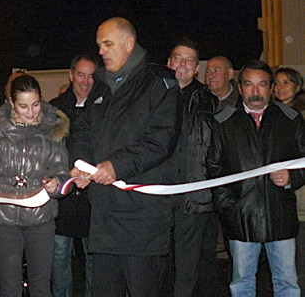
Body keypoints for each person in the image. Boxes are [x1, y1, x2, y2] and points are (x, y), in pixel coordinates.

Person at [69, 17, 180, 297]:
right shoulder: (101, 86)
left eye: (107, 44)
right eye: (99, 45)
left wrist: (116, 166)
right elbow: (82, 130)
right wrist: (81, 164)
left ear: (129, 44)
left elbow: (161, 139)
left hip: (142, 219)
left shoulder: (160, 83)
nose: (101, 51)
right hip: (104, 217)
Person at [207, 59, 304, 296]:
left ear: (270, 87)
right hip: (240, 217)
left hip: (280, 214)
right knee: (241, 284)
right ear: (239, 88)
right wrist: (228, 207)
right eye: (249, 85)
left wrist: (292, 178)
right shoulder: (223, 122)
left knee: (287, 283)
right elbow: (214, 169)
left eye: (262, 85)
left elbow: (304, 159)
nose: (255, 91)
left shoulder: (290, 119)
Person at [0, 75, 69, 297]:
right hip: (3, 220)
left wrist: (58, 185)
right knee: (9, 288)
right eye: (23, 106)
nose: (31, 112)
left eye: (35, 104)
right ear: (11, 103)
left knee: (42, 287)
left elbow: (64, 175)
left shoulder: (53, 131)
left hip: (41, 220)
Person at [162, 38, 219, 297]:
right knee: (157, 266)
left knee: (187, 271)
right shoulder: (152, 98)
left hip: (192, 198)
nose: (182, 64)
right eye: (177, 58)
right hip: (157, 196)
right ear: (168, 63)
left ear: (196, 68)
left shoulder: (208, 101)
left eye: (189, 60)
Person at [50, 54, 104, 297]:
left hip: (95, 195)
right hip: (64, 195)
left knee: (95, 256)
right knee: (60, 254)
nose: (86, 81)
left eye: (91, 75)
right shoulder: (54, 108)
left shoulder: (106, 106)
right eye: (80, 74)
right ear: (71, 76)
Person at [273, 67, 305, 290]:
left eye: (286, 82)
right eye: (277, 82)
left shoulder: (300, 116)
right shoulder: (273, 115)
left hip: (301, 199)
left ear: (297, 85)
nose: (280, 87)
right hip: (282, 198)